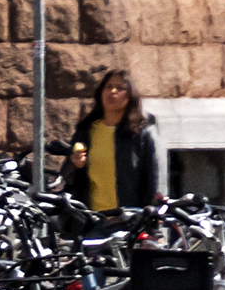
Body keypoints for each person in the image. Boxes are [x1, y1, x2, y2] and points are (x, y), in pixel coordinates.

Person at [63, 69, 161, 214]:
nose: (112, 91)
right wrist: (75, 165)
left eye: (119, 88)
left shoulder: (141, 133)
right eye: (108, 87)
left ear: (130, 95)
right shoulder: (86, 131)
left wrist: (151, 215)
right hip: (91, 219)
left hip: (129, 219)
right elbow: (66, 176)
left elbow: (154, 178)